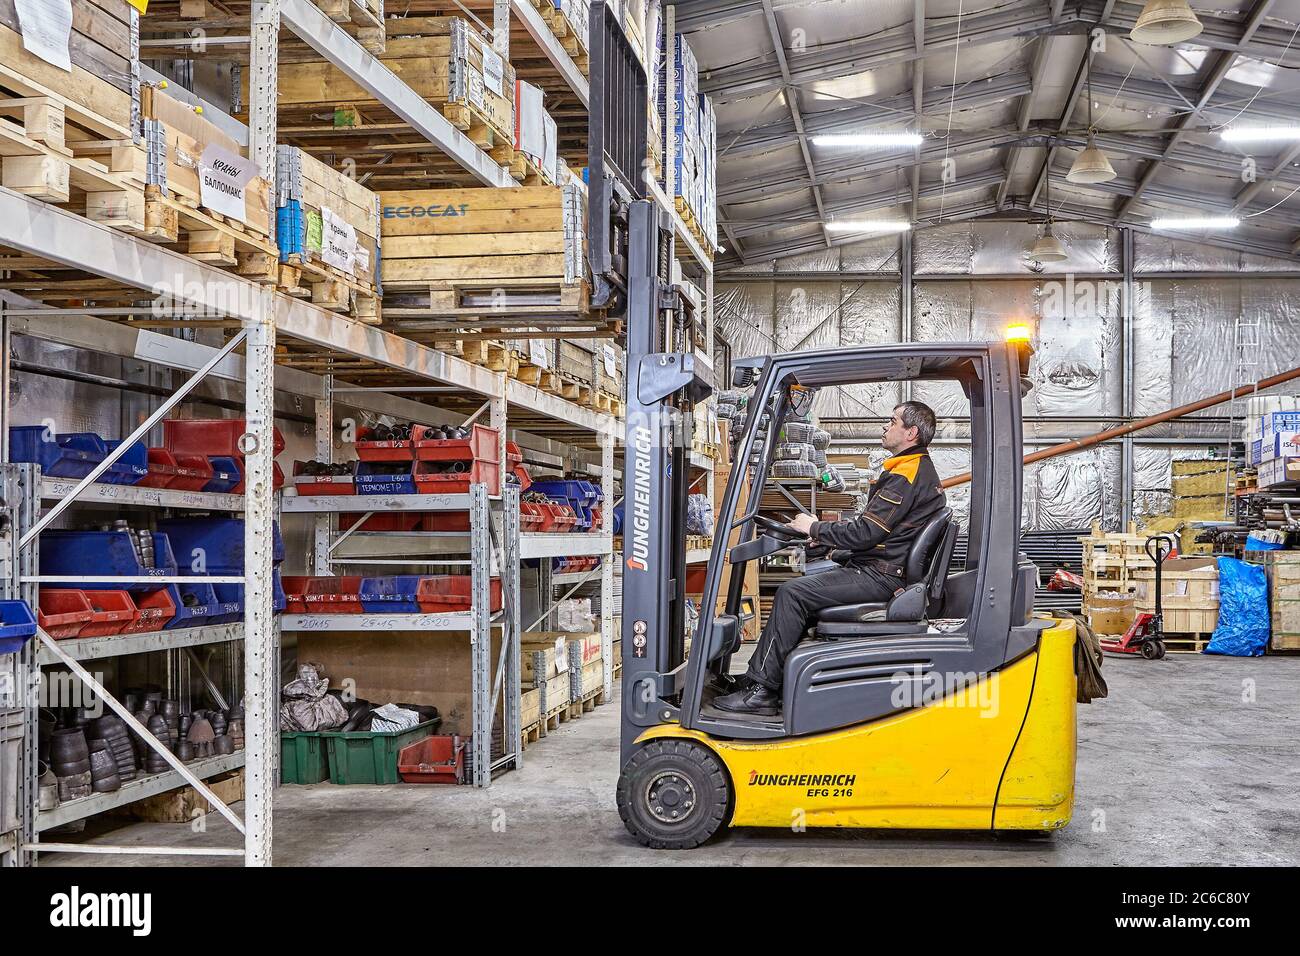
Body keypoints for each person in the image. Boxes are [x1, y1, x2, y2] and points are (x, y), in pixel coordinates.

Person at [713, 400, 947, 716]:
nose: (885, 427)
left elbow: (867, 532)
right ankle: (768, 678)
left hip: (882, 576)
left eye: (892, 422)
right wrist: (827, 543)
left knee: (792, 593)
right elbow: (885, 536)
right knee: (806, 587)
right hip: (882, 568)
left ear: (911, 433)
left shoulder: (907, 474)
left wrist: (815, 526)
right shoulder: (908, 470)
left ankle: (763, 693)